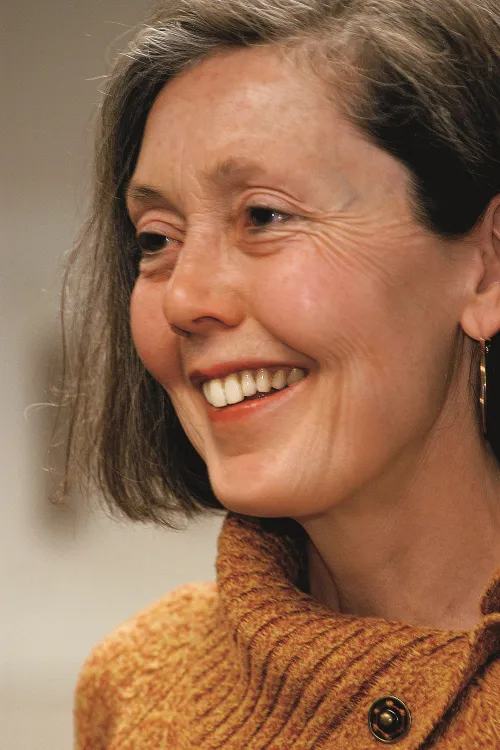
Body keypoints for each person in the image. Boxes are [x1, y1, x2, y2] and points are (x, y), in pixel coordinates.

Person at [67, 0, 500, 746]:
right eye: (156, 239)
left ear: (487, 269)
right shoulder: (133, 687)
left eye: (264, 216)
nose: (184, 299)